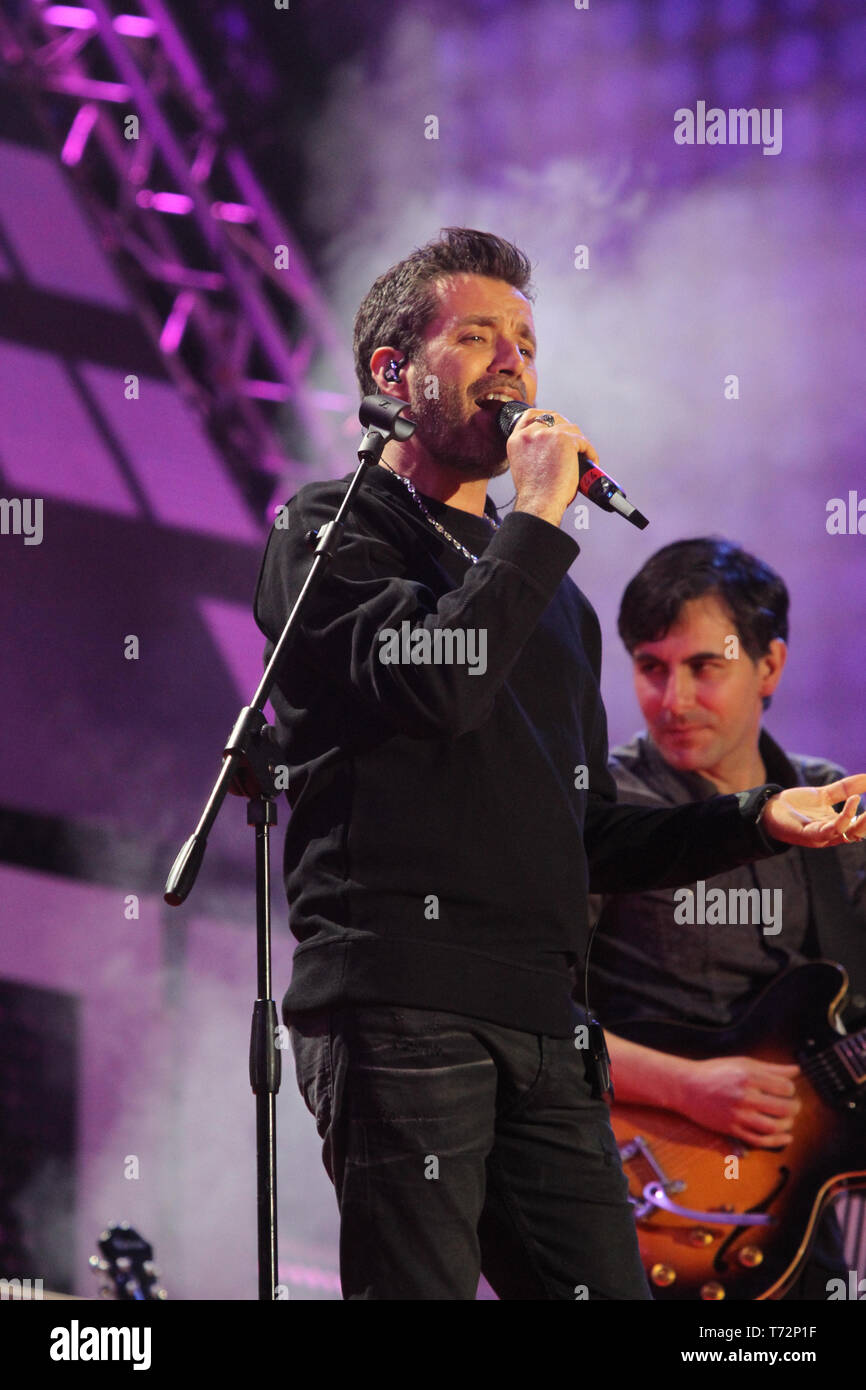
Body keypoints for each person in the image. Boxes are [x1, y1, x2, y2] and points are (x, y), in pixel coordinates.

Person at [252, 228, 866, 1300]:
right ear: (391, 374)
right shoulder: (333, 532)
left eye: (526, 344)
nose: (512, 364)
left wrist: (761, 816)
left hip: (549, 1030)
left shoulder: (555, 608)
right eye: (478, 335)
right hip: (405, 1000)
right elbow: (434, 681)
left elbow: (588, 833)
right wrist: (535, 513)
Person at [588, 537, 866, 1299]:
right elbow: (528, 1019)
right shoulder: (603, 811)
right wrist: (688, 1087)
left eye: (704, 666)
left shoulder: (833, 805)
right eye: (651, 667)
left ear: (769, 666)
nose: (672, 701)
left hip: (795, 1209)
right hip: (635, 1191)